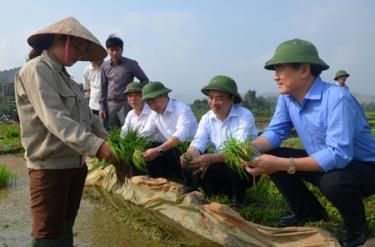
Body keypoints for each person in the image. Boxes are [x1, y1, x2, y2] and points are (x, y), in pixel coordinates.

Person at [243, 39, 375, 247]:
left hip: (362, 168)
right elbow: (276, 132)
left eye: (280, 69)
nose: (275, 77)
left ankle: (356, 228)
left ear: (304, 70)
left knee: (333, 182)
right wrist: (250, 148)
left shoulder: (337, 98)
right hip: (324, 161)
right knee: (272, 155)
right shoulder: (287, 98)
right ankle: (308, 211)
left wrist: (283, 164)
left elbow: (338, 155)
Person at [14, 17, 117, 246]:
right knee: (48, 235)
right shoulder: (37, 70)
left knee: (66, 228)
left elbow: (88, 119)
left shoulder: (68, 79)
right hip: (50, 168)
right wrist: (98, 147)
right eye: (77, 47)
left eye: (83, 50)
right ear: (59, 39)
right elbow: (56, 119)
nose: (79, 54)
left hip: (75, 166)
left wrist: (111, 143)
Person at [180, 75, 258, 209]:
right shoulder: (206, 118)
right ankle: (200, 189)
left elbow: (239, 149)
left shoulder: (244, 115)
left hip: (246, 167)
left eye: (220, 98)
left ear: (231, 99)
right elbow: (199, 141)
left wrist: (211, 158)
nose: (214, 102)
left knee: (235, 162)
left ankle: (238, 200)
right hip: (220, 164)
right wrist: (189, 155)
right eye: (211, 97)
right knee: (190, 159)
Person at [141, 81, 198, 180]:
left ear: (164, 96)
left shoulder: (181, 108)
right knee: (147, 147)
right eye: (149, 104)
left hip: (191, 148)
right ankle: (163, 179)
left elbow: (181, 135)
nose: (153, 106)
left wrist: (158, 150)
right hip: (172, 149)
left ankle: (189, 183)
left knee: (167, 152)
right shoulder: (154, 114)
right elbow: (146, 132)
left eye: (154, 101)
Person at [99, 35, 149, 130]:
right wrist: (102, 107)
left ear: (122, 50)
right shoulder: (104, 66)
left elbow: (145, 80)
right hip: (110, 104)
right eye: (111, 50)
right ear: (107, 50)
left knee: (129, 130)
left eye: (117, 49)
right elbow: (103, 87)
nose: (114, 52)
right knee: (113, 131)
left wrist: (136, 93)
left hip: (126, 103)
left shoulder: (131, 64)